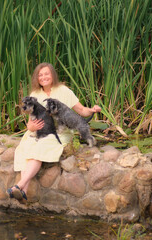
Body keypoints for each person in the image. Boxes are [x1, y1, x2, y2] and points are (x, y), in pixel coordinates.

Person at [7, 62, 101, 203]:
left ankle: (20, 185)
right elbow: (30, 120)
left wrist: (92, 110)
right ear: (37, 78)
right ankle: (23, 191)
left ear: (52, 75)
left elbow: (81, 110)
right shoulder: (35, 94)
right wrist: (30, 127)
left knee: (40, 147)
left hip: (59, 132)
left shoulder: (64, 91)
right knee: (23, 148)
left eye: (46, 74)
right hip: (37, 130)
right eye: (40, 75)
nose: (43, 77)